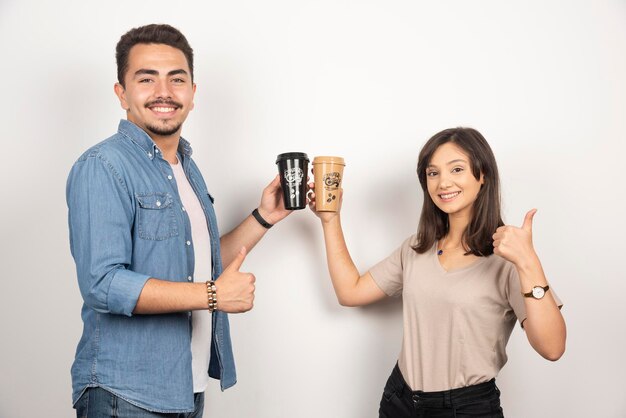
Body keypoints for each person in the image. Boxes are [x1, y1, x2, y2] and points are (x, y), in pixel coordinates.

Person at [67, 24, 290, 417]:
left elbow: (196, 264)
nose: (164, 92)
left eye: (176, 79)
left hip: (184, 389)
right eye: (146, 78)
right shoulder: (103, 165)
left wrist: (263, 217)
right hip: (126, 394)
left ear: (193, 93)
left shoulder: (185, 166)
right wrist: (213, 296)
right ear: (121, 94)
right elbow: (102, 284)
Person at [308, 127, 566, 417]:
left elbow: (553, 347)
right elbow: (350, 291)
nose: (443, 183)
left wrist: (529, 262)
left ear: (483, 176)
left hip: (465, 409)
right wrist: (329, 219)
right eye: (433, 173)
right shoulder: (417, 248)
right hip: (399, 400)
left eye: (457, 169)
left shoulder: (508, 258)